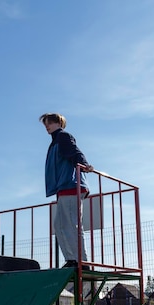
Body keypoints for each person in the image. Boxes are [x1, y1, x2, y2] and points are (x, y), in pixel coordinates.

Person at [39, 113, 94, 270]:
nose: (47, 127)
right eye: (45, 125)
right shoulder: (55, 142)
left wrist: (85, 164)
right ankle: (72, 259)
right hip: (64, 188)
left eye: (49, 123)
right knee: (60, 225)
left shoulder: (63, 137)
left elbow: (74, 151)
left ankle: (81, 261)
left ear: (58, 123)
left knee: (71, 224)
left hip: (72, 185)